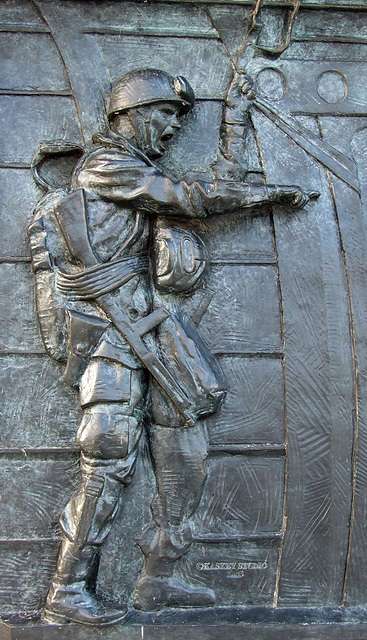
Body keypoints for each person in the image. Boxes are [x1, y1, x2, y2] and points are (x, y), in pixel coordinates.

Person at [28, 68, 313, 626]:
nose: (172, 129)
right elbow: (190, 198)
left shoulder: (136, 169)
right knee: (107, 458)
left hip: (147, 332)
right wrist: (271, 192)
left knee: (185, 449)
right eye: (163, 115)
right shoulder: (108, 166)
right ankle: (66, 587)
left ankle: (160, 575)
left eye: (179, 119)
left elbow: (201, 192)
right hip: (111, 335)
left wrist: (236, 119)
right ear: (128, 115)